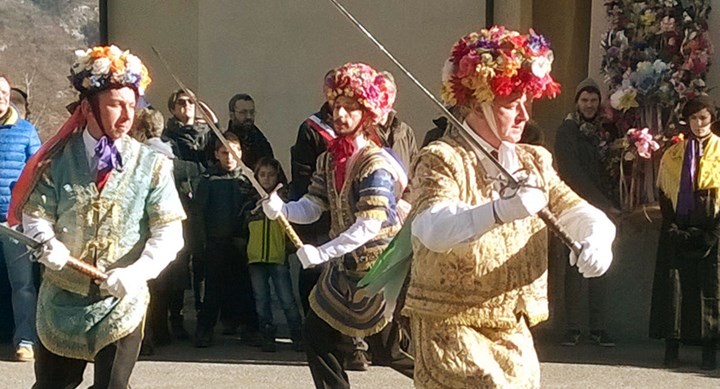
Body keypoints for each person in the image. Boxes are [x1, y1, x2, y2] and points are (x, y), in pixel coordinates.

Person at [403, 27, 616, 387]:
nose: (522, 115)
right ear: (476, 104)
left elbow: (572, 207)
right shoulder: (442, 157)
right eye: (509, 104)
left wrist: (597, 236)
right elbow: (431, 228)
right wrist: (500, 211)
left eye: (525, 103)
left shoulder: (534, 160)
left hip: (512, 321)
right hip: (448, 322)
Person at [10, 45, 186, 388]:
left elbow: (169, 232)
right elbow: (36, 215)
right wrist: (47, 243)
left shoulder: (152, 166)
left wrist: (138, 272)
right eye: (115, 106)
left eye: (131, 107)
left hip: (121, 301)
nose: (126, 116)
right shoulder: (57, 161)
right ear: (88, 108)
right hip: (62, 300)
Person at [262, 62, 408, 388]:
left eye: (350, 107)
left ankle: (449, 381)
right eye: (336, 106)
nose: (340, 114)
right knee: (316, 333)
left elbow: (369, 225)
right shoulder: (328, 159)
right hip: (345, 270)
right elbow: (313, 206)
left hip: (381, 269)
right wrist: (282, 209)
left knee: (389, 350)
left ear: (366, 113)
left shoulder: (376, 162)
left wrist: (323, 252)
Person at [651, 95, 720, 370]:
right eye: (693, 118)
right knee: (674, 288)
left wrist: (713, 232)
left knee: (711, 288)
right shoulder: (674, 154)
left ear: (711, 119)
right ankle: (672, 348)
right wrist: (673, 226)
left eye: (704, 118)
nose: (699, 123)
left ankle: (709, 351)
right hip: (679, 226)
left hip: (711, 229)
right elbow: (665, 194)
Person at [554, 78, 620, 347]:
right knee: (574, 266)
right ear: (576, 103)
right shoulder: (567, 131)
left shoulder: (606, 131)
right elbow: (572, 171)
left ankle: (598, 327)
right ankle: (573, 327)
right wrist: (599, 201)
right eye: (584, 100)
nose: (589, 105)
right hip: (575, 207)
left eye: (594, 100)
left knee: (601, 265)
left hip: (605, 207)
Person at [131, 108, 203, 351]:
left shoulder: (136, 155)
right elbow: (196, 174)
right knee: (169, 282)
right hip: (174, 224)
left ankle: (148, 334)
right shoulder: (176, 159)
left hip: (144, 225)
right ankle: (168, 327)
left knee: (149, 284)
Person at [192, 132, 257, 348]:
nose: (229, 157)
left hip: (242, 243)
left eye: (233, 152)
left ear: (240, 153)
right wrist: (200, 246)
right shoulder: (208, 180)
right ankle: (205, 330)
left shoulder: (248, 179)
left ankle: (250, 329)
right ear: (216, 154)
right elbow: (199, 215)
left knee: (245, 288)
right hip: (215, 243)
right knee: (212, 290)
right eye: (224, 152)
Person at [0, 74, 41, 362]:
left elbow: (38, 173)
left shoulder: (26, 132)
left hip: (13, 222)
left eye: (3, 93)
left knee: (23, 285)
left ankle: (26, 339)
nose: (0, 98)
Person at [247, 157, 303, 352]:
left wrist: (289, 248)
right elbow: (242, 226)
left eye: (271, 175)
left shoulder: (284, 200)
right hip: (255, 258)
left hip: (278, 257)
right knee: (261, 299)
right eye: (262, 175)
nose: (267, 179)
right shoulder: (250, 198)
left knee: (286, 298)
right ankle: (267, 335)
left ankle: (297, 334)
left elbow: (291, 229)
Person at [289, 99, 334, 316]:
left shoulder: (364, 130)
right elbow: (303, 174)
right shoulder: (311, 128)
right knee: (312, 269)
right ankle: (310, 317)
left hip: (347, 215)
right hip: (319, 214)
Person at [163, 89, 218, 165]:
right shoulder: (168, 135)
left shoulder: (206, 131)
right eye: (181, 102)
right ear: (173, 110)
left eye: (191, 101)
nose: (186, 104)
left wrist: (214, 123)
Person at [227, 93, 274, 169]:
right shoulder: (224, 144)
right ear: (232, 115)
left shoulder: (262, 143)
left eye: (251, 112)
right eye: (243, 112)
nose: (248, 117)